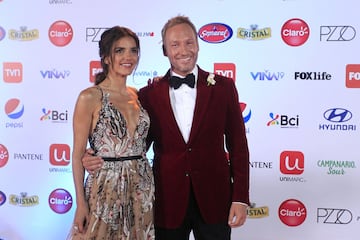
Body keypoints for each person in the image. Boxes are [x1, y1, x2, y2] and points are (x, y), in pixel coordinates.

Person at [83, 15, 249, 240]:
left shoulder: (223, 87)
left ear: (198, 44)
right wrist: (93, 155)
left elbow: (239, 145)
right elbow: (134, 144)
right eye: (175, 44)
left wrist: (240, 198)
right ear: (165, 50)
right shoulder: (147, 95)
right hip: (166, 202)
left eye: (189, 42)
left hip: (215, 199)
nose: (184, 50)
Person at [68, 26, 155, 240]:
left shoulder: (139, 95)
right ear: (106, 57)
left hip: (142, 188)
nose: (128, 57)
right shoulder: (89, 97)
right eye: (120, 51)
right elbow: (78, 155)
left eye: (133, 51)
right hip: (105, 188)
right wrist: (81, 204)